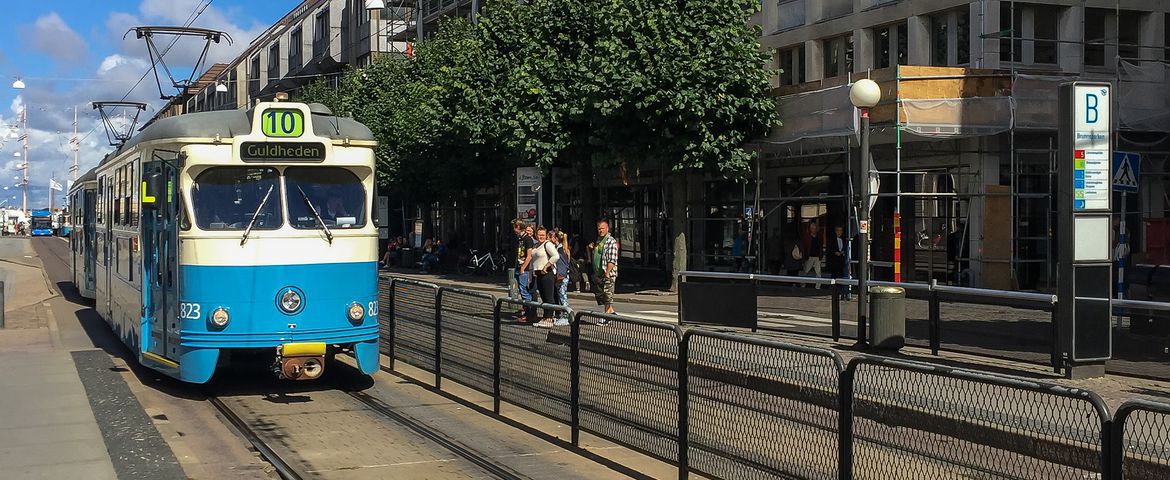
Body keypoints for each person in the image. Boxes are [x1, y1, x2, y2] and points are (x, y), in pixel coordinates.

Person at [589, 219, 619, 322]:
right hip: (599, 273)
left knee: (607, 294)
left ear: (607, 229)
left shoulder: (611, 241)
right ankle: (611, 313)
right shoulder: (599, 240)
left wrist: (607, 272)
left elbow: (612, 259)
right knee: (603, 295)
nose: (600, 230)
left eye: (602, 228)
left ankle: (607, 316)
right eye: (599, 228)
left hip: (608, 273)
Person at [531, 227, 562, 328]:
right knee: (543, 296)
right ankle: (545, 317)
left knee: (549, 296)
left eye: (543, 235)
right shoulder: (535, 245)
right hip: (538, 273)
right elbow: (533, 260)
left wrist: (546, 266)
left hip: (547, 273)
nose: (540, 237)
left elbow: (556, 256)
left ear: (546, 235)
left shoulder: (547, 244)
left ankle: (549, 318)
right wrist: (531, 273)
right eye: (539, 235)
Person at [549, 229, 572, 326]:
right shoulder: (562, 248)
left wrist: (560, 275)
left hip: (562, 276)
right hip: (563, 275)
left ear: (555, 239)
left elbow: (562, 263)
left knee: (563, 295)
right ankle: (565, 315)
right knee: (562, 295)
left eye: (550, 237)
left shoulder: (560, 249)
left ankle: (566, 316)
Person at [515, 222, 537, 323]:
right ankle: (528, 313)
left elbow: (529, 256)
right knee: (522, 290)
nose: (514, 230)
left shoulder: (527, 239)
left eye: (515, 228)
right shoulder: (521, 239)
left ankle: (530, 314)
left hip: (525, 269)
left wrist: (523, 268)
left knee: (525, 292)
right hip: (519, 267)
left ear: (519, 228)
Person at [802, 222, 823, 287]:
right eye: (812, 228)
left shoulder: (819, 236)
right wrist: (804, 255)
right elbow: (804, 246)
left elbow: (820, 246)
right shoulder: (807, 236)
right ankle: (803, 285)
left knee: (818, 273)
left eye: (814, 228)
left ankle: (818, 287)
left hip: (817, 257)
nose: (813, 229)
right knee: (805, 271)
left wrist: (821, 255)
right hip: (809, 257)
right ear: (810, 229)